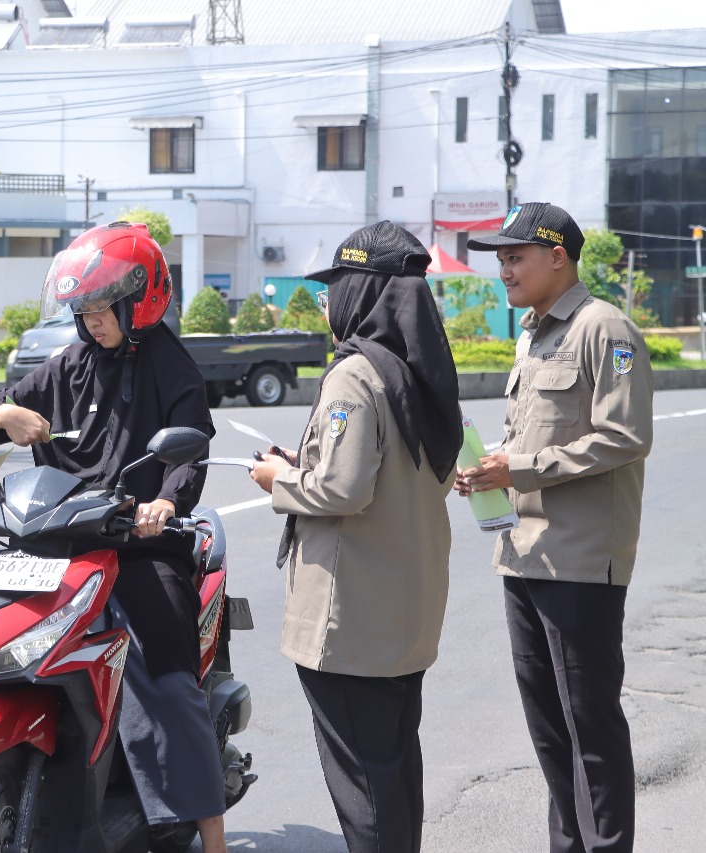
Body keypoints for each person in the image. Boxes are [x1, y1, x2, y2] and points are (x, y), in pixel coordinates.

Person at [0, 221, 228, 853]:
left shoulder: (172, 365)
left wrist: (165, 503)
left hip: (139, 547)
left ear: (140, 299)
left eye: (100, 307)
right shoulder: (68, 365)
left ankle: (212, 835)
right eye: (81, 309)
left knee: (167, 680)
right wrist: (4, 413)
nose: (91, 320)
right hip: (59, 543)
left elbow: (189, 451)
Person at [248, 220, 463, 853]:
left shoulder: (356, 374)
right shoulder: (420, 371)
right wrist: (305, 464)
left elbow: (342, 491)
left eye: (334, 287)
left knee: (364, 787)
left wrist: (278, 477)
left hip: (351, 622)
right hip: (404, 612)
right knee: (394, 774)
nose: (327, 302)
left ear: (362, 293)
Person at [457, 202, 653, 853]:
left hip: (579, 563)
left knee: (589, 725)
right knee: (548, 731)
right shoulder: (533, 332)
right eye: (501, 259)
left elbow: (624, 437)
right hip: (523, 554)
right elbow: (528, 436)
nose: (504, 269)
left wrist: (521, 467)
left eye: (515, 256)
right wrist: (489, 472)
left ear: (558, 256)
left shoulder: (607, 329)